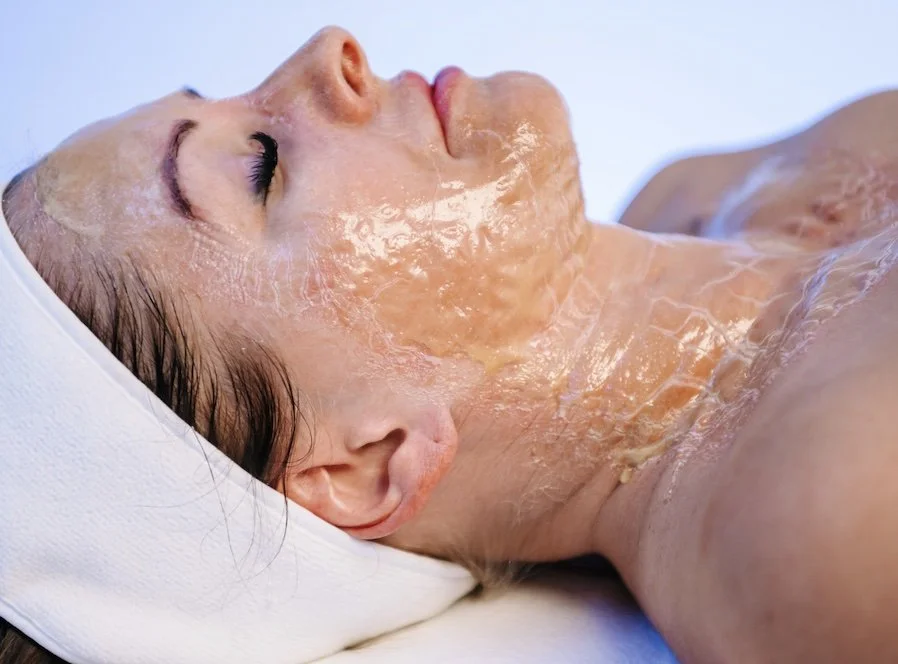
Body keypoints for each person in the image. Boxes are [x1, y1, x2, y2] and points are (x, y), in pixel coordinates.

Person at [3, 24, 898, 663]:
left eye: (225, 97)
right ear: (366, 463)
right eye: (261, 165)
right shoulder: (816, 539)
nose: (330, 50)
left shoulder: (713, 192)